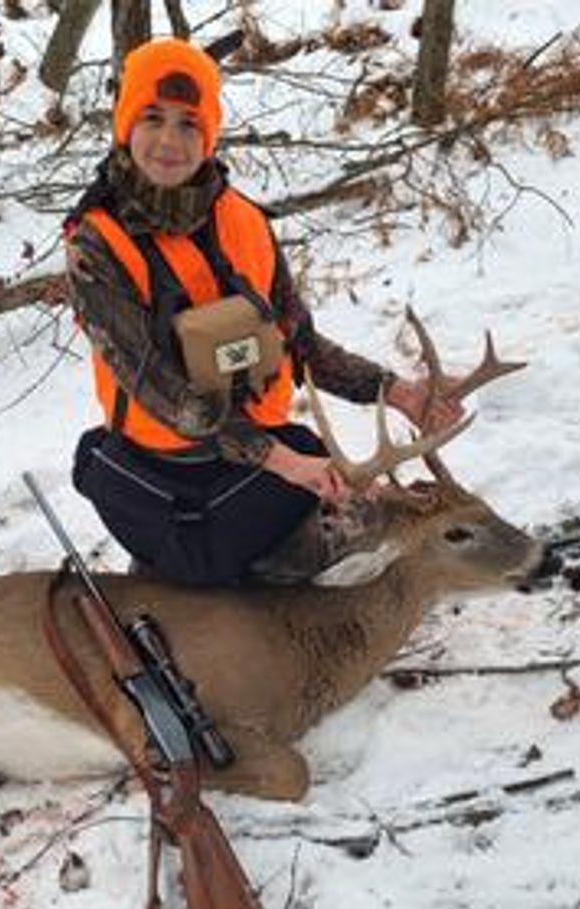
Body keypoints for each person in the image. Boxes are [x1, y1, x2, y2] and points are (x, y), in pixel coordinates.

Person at [64, 37, 462, 587]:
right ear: (125, 123)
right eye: (151, 118)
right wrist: (287, 465)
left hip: (257, 449)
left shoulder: (243, 220)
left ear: (209, 134)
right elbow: (169, 397)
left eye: (189, 124)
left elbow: (298, 341)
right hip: (175, 473)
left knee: (341, 483)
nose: (168, 142)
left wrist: (400, 392)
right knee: (315, 504)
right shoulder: (97, 246)